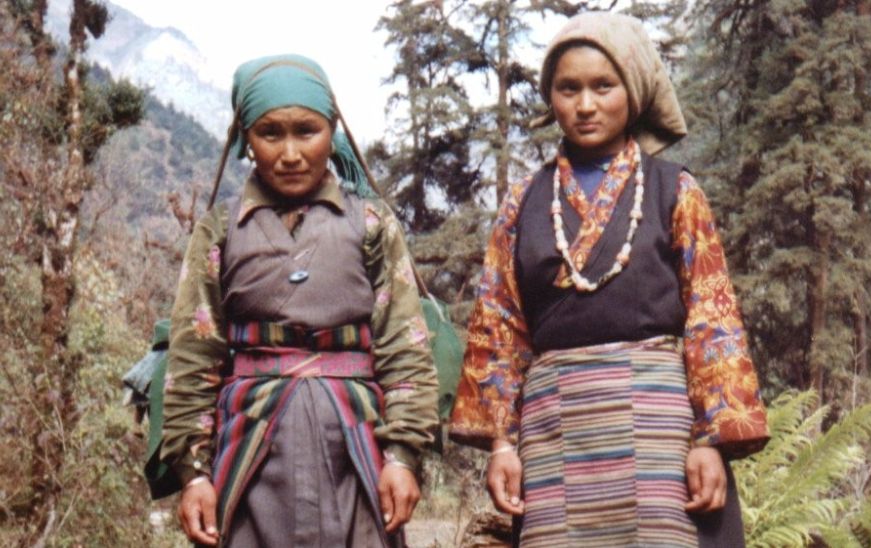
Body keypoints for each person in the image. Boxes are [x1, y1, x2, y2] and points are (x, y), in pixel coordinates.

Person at [449, 12, 769, 548]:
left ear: (635, 91)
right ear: (551, 97)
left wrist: (711, 441)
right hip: (555, 434)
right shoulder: (522, 204)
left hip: (662, 429)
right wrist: (503, 445)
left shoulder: (676, 191)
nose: (586, 104)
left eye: (604, 86)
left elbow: (713, 320)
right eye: (568, 88)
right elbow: (498, 328)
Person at [159, 54, 439, 547]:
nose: (290, 153)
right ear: (247, 137)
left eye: (306, 131)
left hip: (356, 444)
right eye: (271, 133)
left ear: (332, 131)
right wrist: (194, 473)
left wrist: (402, 456)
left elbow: (404, 346)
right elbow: (193, 355)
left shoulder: (371, 224)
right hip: (250, 446)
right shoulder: (220, 232)